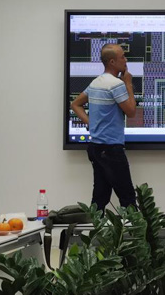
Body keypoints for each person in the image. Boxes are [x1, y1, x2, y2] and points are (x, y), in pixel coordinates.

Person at [71, 43, 137, 211]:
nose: (125, 60)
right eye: (122, 57)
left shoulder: (96, 82)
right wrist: (128, 84)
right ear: (112, 62)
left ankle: (95, 227)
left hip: (96, 147)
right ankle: (134, 229)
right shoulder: (116, 84)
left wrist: (91, 123)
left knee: (100, 198)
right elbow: (131, 112)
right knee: (128, 198)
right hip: (111, 149)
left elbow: (75, 104)